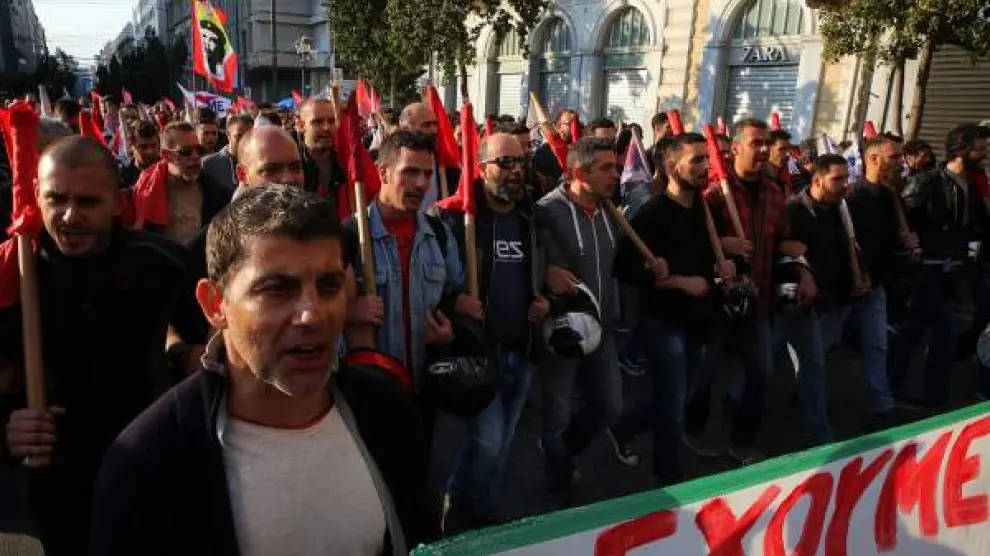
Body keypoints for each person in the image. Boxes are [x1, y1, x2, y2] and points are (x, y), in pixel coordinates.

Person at [90, 185, 432, 555]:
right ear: (215, 304)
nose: (312, 314)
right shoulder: (148, 463)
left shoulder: (387, 415)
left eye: (329, 286)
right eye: (278, 290)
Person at [1, 136, 206, 556]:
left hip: (149, 461)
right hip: (58, 480)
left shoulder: (163, 263)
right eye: (56, 199)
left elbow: (205, 340)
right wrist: (6, 429)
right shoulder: (11, 273)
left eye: (87, 202)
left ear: (118, 202)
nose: (69, 215)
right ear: (36, 194)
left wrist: (187, 358)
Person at [434, 133, 549, 530]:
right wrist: (455, 301)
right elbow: (434, 281)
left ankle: (480, 503)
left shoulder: (531, 218)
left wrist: (546, 300)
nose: (516, 171)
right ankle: (457, 499)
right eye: (505, 163)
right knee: (489, 440)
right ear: (481, 169)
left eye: (521, 162)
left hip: (522, 347)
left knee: (503, 443)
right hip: (479, 352)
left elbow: (545, 269)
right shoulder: (456, 220)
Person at [610, 132, 733, 486]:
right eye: (697, 160)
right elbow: (625, 271)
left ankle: (623, 428)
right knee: (673, 406)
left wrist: (723, 266)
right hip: (663, 323)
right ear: (671, 165)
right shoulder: (653, 213)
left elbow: (704, 257)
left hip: (699, 318)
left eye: (707, 159)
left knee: (677, 397)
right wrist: (677, 280)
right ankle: (667, 478)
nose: (706, 167)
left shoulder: (703, 210)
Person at [687, 118, 813, 464]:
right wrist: (720, 243)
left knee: (761, 373)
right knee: (705, 372)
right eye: (756, 143)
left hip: (759, 300)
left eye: (766, 144)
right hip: (720, 301)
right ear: (736, 148)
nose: (763, 150)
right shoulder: (714, 193)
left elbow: (782, 239)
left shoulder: (774, 192)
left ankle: (742, 442)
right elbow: (690, 243)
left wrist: (800, 262)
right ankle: (692, 428)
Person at [343, 131, 477, 444]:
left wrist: (453, 323)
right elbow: (319, 310)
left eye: (427, 174)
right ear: (383, 173)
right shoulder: (350, 236)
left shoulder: (439, 234)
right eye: (410, 172)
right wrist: (349, 312)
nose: (421, 183)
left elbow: (451, 293)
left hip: (426, 385)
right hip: (372, 389)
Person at [534, 137, 623, 493]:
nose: (615, 175)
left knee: (610, 406)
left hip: (603, 326)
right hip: (562, 329)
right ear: (580, 173)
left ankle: (560, 450)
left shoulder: (611, 211)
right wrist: (545, 273)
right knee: (556, 412)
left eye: (616, 167)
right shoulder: (546, 211)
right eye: (606, 168)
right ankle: (557, 478)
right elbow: (531, 262)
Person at [894, 124, 989, 411]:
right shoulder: (925, 183)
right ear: (961, 150)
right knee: (942, 331)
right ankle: (932, 402)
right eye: (980, 149)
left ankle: (895, 391)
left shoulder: (971, 186)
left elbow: (976, 227)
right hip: (927, 271)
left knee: (916, 332)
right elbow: (903, 225)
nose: (984, 154)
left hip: (954, 271)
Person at [848, 134, 920, 421]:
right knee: (814, 346)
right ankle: (742, 389)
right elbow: (847, 242)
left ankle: (883, 407)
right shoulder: (853, 196)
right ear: (873, 159)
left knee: (877, 345)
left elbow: (890, 239)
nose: (901, 162)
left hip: (874, 284)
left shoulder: (891, 195)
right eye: (894, 157)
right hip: (845, 286)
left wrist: (905, 241)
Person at [132, 121, 231, 245]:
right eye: (186, 152)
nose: (195, 156)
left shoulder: (215, 191)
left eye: (199, 150)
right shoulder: (147, 190)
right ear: (166, 155)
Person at [398, 102, 460, 210]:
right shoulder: (390, 159)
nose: (433, 130)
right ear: (405, 128)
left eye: (435, 124)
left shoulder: (446, 165)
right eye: (426, 125)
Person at [298, 99, 347, 215]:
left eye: (331, 121)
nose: (326, 127)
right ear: (301, 125)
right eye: (318, 122)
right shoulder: (290, 165)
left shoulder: (346, 162)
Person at [202, 114, 254, 194]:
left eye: (249, 136)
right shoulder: (208, 164)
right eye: (239, 136)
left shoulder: (258, 163)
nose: (244, 141)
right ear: (228, 135)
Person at [531, 109, 576, 192]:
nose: (575, 128)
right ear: (558, 126)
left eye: (577, 124)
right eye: (570, 124)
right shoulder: (543, 153)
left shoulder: (581, 151)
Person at [120, 120, 162, 189]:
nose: (150, 151)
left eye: (154, 145)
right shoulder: (124, 177)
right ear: (132, 145)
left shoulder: (169, 171)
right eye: (143, 147)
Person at [767, 129, 793, 195]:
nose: (788, 154)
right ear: (768, 149)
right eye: (782, 149)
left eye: (788, 149)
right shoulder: (758, 178)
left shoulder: (785, 174)